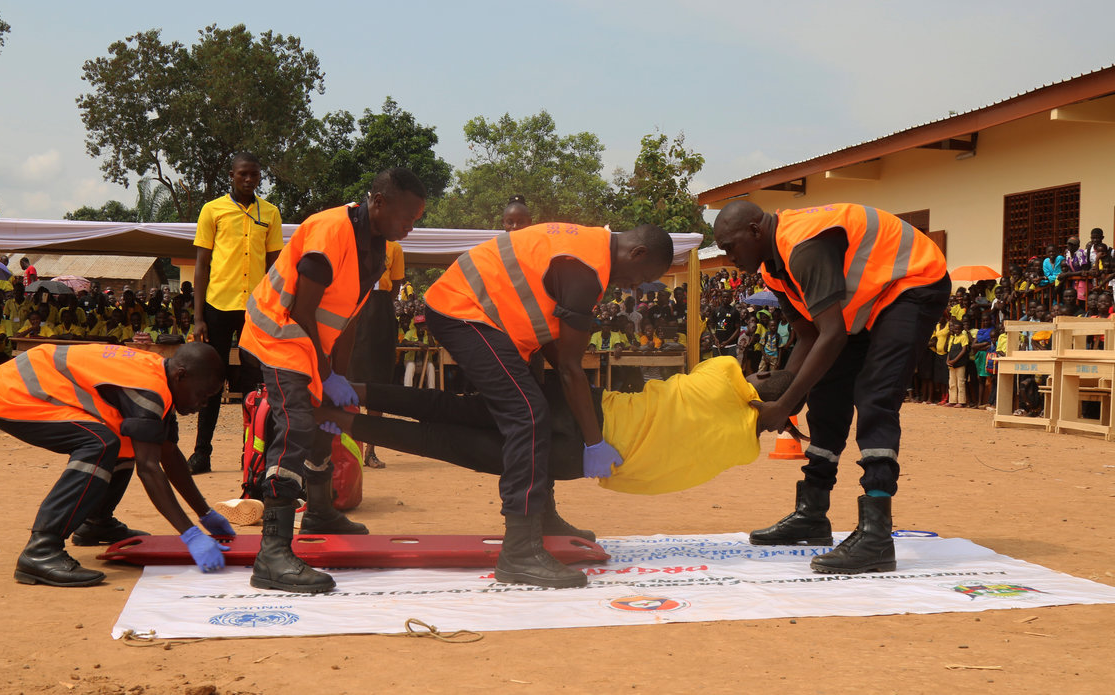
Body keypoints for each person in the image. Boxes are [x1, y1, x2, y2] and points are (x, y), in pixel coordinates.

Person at [423, 221, 673, 588]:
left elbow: (561, 356)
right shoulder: (585, 272)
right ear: (637, 253)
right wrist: (593, 440)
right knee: (527, 415)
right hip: (462, 311)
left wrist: (577, 400)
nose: (633, 287)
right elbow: (571, 367)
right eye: (640, 278)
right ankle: (519, 551)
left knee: (539, 404)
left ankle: (542, 516)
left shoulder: (589, 248)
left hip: (485, 318)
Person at [712, 201, 948, 575]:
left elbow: (833, 334)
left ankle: (876, 536)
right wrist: (786, 401)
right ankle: (812, 514)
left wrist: (785, 403)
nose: (728, 257)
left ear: (756, 231)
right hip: (865, 303)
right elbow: (808, 335)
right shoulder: (774, 272)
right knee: (825, 398)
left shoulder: (802, 246)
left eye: (730, 246)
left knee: (875, 395)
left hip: (911, 282)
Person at [238, 167, 427, 595]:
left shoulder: (377, 248)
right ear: (379, 202)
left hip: (311, 345)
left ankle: (321, 510)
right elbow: (303, 312)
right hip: (279, 334)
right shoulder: (331, 232)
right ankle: (271, 554)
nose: (410, 227)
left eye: (417, 219)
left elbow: (347, 319)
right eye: (406, 217)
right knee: (297, 423)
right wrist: (325, 372)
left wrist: (337, 377)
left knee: (331, 414)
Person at [314, 358, 792, 511]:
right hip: (587, 459)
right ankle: (348, 421)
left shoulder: (722, 373)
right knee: (454, 445)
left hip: (586, 411)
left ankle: (350, 390)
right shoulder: (743, 450)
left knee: (457, 409)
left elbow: (733, 375)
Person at [0, 342, 231, 587]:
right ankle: (41, 549)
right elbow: (149, 468)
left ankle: (96, 523)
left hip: (28, 383)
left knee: (125, 441)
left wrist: (205, 514)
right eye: (203, 395)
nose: (203, 405)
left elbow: (169, 453)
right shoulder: (149, 391)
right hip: (17, 391)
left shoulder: (161, 383)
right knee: (100, 443)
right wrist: (190, 535)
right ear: (181, 375)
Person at [189, 152, 282, 474]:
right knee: (212, 382)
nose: (248, 179)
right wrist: (198, 317)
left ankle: (252, 455)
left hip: (254, 311)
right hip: (217, 306)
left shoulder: (270, 214)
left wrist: (274, 311)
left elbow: (274, 270)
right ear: (231, 175)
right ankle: (202, 453)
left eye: (254, 175)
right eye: (242, 174)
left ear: (259, 178)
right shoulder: (212, 210)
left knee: (254, 384)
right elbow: (202, 265)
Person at [347, 237, 405, 469]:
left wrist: (378, 303)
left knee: (378, 381)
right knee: (350, 376)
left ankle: (371, 451)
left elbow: (396, 285)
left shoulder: (395, 247)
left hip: (381, 312)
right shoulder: (354, 242)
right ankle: (349, 449)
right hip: (355, 307)